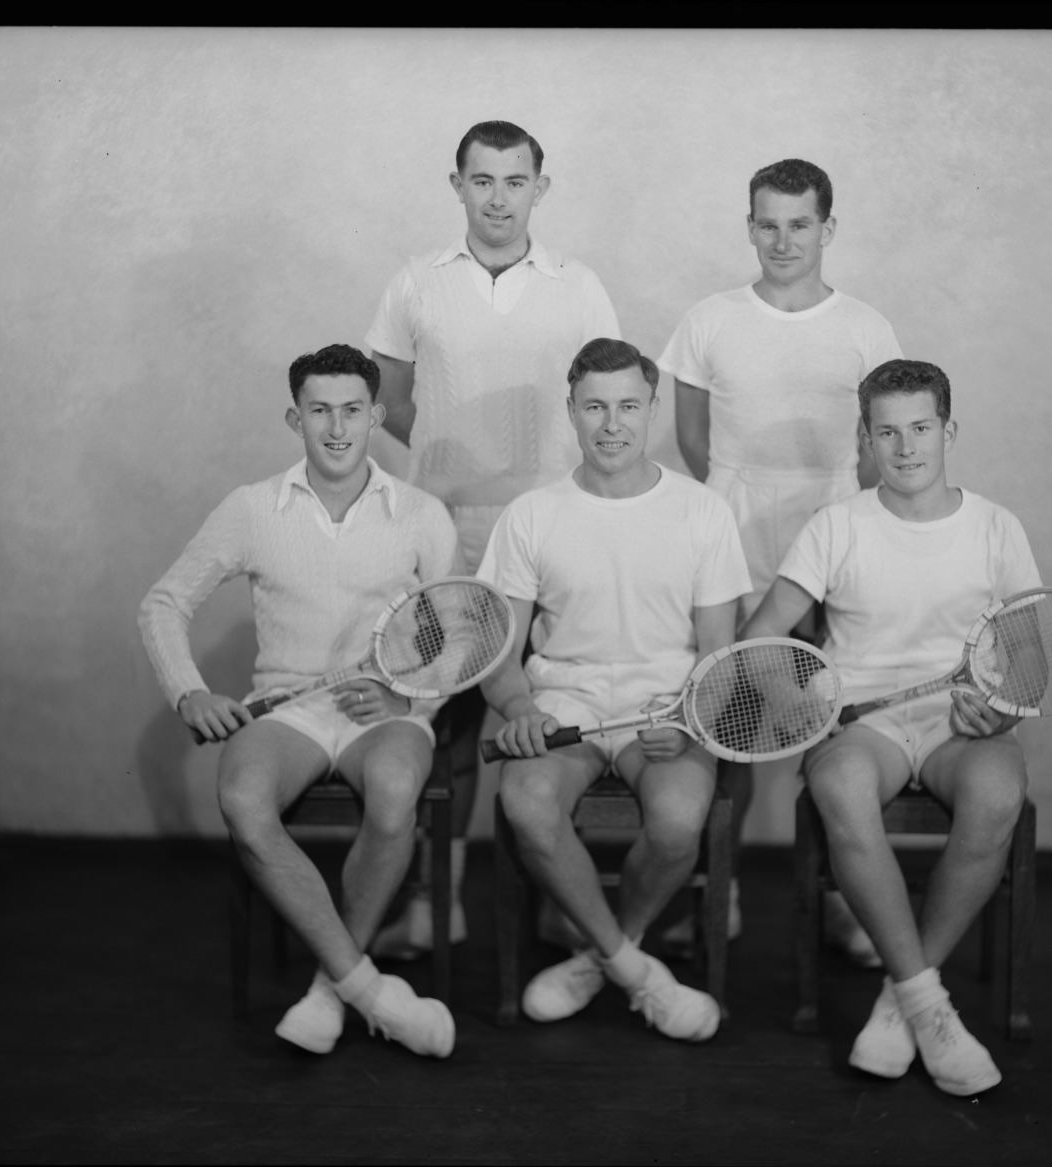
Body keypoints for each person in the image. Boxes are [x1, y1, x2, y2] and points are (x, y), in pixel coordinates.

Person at [138, 344, 459, 1059]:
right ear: (295, 417)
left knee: (397, 786)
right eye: (319, 411)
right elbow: (163, 603)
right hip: (288, 712)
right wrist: (188, 692)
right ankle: (363, 990)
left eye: (352, 411)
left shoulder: (420, 513)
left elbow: (459, 634)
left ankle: (324, 989)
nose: (337, 428)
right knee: (244, 802)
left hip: (388, 713)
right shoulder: (252, 509)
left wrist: (404, 690)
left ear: (376, 415)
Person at [740, 359, 1041, 1096]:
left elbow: (1031, 655)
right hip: (862, 725)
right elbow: (758, 642)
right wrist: (800, 701)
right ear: (865, 439)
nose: (905, 448)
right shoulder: (836, 526)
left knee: (999, 795)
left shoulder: (995, 527)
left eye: (920, 428)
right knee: (838, 788)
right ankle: (927, 1000)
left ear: (948, 430)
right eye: (886, 432)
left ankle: (903, 995)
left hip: (959, 722)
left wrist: (1001, 709)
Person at [365, 120, 622, 957]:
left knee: (544, 715)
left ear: (539, 189)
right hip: (448, 532)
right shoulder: (415, 283)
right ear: (457, 186)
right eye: (482, 181)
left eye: (515, 181)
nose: (498, 198)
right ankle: (438, 901)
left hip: (550, 533)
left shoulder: (578, 286)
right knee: (445, 725)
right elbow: (392, 402)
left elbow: (601, 398)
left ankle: (553, 902)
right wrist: (453, 459)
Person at [657, 158, 902, 963]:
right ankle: (715, 896)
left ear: (827, 229)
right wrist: (738, 512)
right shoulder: (708, 320)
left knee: (829, 726)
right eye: (767, 223)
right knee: (721, 720)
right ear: (749, 226)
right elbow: (693, 441)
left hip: (831, 555)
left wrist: (828, 533)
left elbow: (874, 449)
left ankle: (839, 901)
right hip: (731, 555)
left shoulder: (866, 327)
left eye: (800, 224)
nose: (782, 239)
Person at [476, 337, 751, 1040]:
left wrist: (693, 720)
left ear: (652, 408)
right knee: (526, 804)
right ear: (570, 410)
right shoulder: (531, 515)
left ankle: (602, 954)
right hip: (563, 701)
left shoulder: (701, 513)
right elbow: (499, 654)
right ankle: (635, 970)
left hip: (668, 703)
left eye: (628, 405)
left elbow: (719, 654)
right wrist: (517, 708)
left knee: (677, 825)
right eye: (594, 406)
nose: (611, 423)